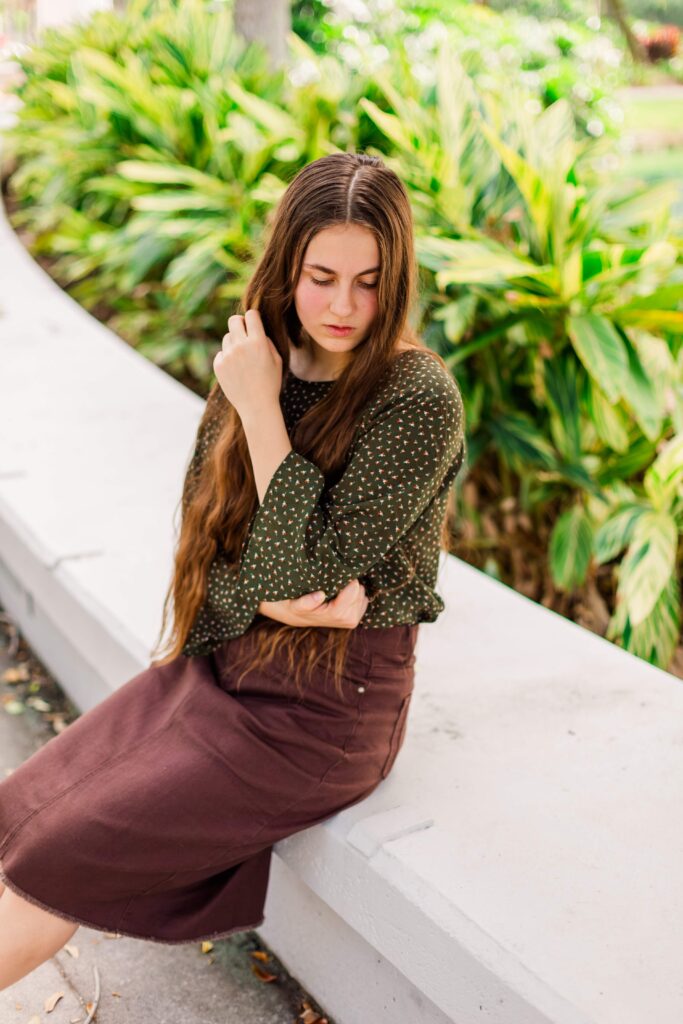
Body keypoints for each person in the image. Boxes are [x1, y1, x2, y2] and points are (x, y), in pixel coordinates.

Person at [0, 151, 466, 990]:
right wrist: (275, 597)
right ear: (287, 264)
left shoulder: (414, 396)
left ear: (396, 278)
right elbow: (210, 566)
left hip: (324, 717)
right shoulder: (257, 357)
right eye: (321, 276)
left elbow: (295, 577)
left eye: (368, 281)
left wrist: (259, 410)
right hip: (219, 669)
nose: (342, 305)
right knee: (19, 817)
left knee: (62, 853)